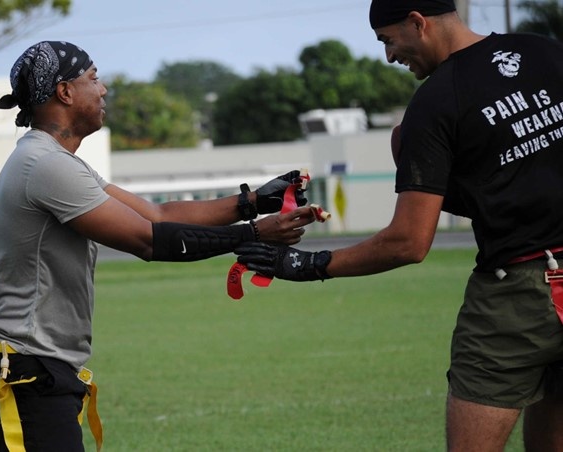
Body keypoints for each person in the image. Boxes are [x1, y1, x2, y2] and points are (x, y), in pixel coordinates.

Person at [0, 41, 316, 451]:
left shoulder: (56, 161)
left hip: (26, 365)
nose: (103, 89)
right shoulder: (45, 165)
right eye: (93, 78)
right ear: (65, 92)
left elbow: (155, 215)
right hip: (25, 368)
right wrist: (255, 234)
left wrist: (251, 203)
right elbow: (148, 240)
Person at [234, 0, 563, 450]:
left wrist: (305, 264)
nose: (389, 56)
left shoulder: (435, 100)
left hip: (516, 297)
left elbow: (408, 241)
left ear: (417, 22)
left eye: (388, 40)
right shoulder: (546, 52)